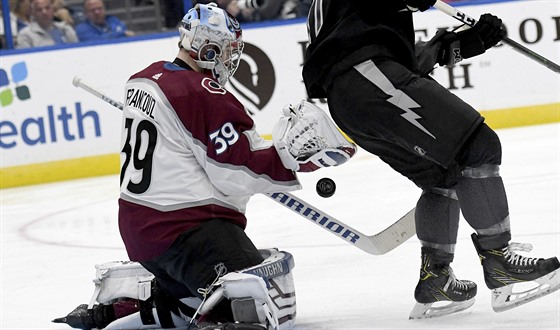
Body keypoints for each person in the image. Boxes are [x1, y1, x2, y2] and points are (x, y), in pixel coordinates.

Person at [53, 3, 355, 330]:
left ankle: (129, 306)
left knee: (191, 290)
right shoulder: (203, 92)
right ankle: (212, 321)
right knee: (255, 300)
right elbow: (237, 170)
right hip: (188, 231)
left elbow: (194, 152)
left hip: (141, 234)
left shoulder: (142, 79)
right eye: (226, 50)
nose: (230, 59)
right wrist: (296, 158)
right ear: (207, 47)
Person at [303, 0, 560, 319]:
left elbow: (400, 53)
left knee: (443, 175)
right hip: (368, 78)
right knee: (479, 146)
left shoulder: (349, 19)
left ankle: (435, 276)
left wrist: (462, 44)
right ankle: (499, 260)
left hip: (352, 96)